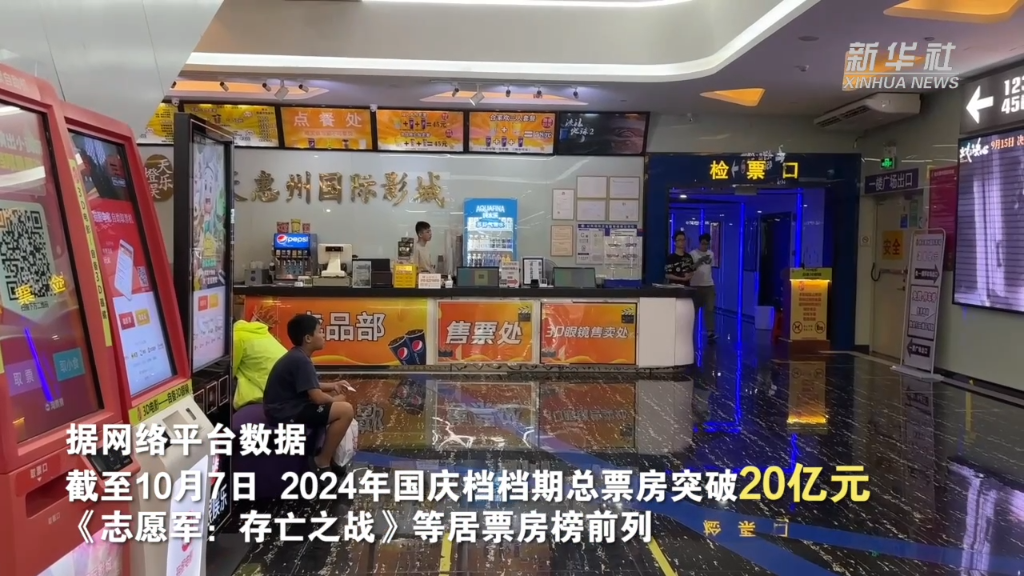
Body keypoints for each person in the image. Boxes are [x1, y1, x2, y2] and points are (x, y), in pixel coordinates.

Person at [263, 314, 355, 473]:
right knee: (345, 410)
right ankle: (322, 461)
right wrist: (335, 400)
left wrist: (333, 386)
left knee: (340, 405)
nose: (323, 335)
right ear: (308, 338)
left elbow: (308, 385)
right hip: (285, 412)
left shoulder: (297, 356)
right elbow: (317, 397)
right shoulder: (301, 361)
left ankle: (330, 457)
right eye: (320, 331)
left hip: (286, 407)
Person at [232, 319, 288, 410]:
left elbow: (231, 370)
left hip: (271, 390)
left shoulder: (236, 337)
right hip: (287, 386)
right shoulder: (260, 331)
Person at [690, 233, 717, 341]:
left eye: (706, 244)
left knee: (710, 309)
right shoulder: (693, 254)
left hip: (709, 285)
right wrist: (700, 261)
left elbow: (711, 268)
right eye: (703, 243)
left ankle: (710, 332)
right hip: (696, 285)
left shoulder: (711, 254)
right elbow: (691, 268)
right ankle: (690, 331)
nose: (704, 246)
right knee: (694, 310)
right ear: (699, 243)